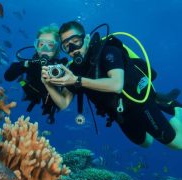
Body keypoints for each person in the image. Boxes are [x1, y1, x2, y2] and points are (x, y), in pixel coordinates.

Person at [41, 21, 182, 149]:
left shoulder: (107, 51)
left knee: (177, 144)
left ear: (86, 38)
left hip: (139, 104)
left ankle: (174, 110)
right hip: (120, 115)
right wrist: (47, 84)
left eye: (76, 41)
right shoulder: (74, 71)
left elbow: (116, 85)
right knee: (145, 143)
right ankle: (161, 104)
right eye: (66, 46)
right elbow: (64, 103)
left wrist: (77, 80)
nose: (72, 49)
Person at [4, 25, 67, 124]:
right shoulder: (30, 63)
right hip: (31, 92)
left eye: (50, 45)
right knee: (23, 84)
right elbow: (7, 77)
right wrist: (25, 64)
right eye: (41, 44)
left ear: (56, 48)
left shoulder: (61, 67)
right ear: (36, 46)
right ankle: (21, 81)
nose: (45, 48)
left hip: (50, 100)